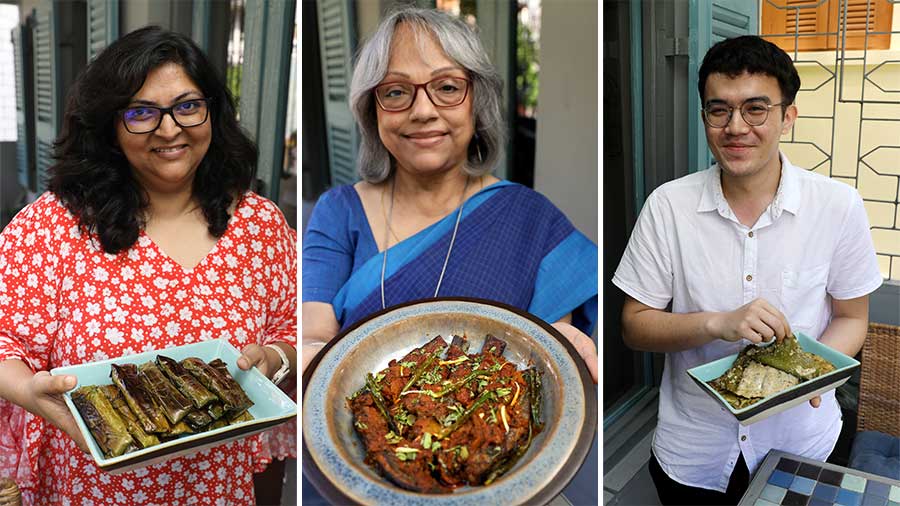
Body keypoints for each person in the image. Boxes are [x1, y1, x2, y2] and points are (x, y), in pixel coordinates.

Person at [0, 26, 297, 504]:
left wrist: (276, 358)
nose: (169, 129)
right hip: (91, 490)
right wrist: (30, 393)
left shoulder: (258, 224)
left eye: (187, 106)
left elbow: (292, 325)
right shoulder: (54, 226)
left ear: (213, 113)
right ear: (109, 126)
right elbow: (4, 340)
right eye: (141, 113)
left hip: (218, 489)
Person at [613, 35, 882, 505]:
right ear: (704, 119)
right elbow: (634, 327)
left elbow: (851, 316)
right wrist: (718, 322)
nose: (736, 127)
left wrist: (808, 378)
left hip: (803, 443)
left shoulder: (838, 206)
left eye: (756, 109)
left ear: (788, 115)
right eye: (719, 110)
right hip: (693, 451)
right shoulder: (668, 206)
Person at [301, 7, 598, 382]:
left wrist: (555, 352)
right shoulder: (338, 212)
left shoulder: (530, 220)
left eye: (447, 87)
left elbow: (544, 350)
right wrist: (308, 354)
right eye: (395, 91)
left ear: (478, 102)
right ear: (371, 112)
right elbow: (315, 335)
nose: (423, 111)